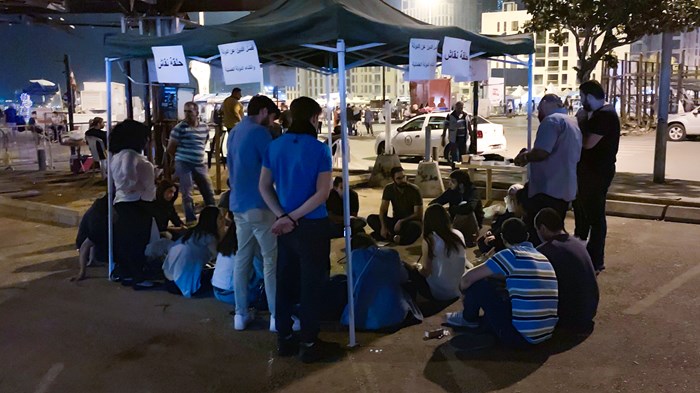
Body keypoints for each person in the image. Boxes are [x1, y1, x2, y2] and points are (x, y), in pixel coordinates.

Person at [259, 96, 335, 363]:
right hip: (312, 225)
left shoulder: (275, 146)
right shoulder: (320, 150)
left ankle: (285, 338)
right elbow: (322, 194)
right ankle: (310, 343)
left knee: (285, 280)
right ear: (314, 118)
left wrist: (283, 216)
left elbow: (264, 186)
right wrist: (293, 217)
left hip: (285, 227)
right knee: (311, 284)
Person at [445, 218, 559, 348]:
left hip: (518, 336)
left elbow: (467, 279)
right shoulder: (542, 257)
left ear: (503, 238)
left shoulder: (510, 254)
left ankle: (468, 319)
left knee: (480, 284)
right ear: (527, 236)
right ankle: (488, 327)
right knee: (501, 291)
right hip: (546, 334)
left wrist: (463, 293)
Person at [227, 95, 281, 331]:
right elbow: (273, 166)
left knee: (243, 259)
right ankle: (277, 317)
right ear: (262, 111)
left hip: (238, 204)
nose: (271, 122)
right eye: (271, 116)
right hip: (260, 205)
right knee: (271, 262)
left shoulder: (235, 131)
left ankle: (240, 315)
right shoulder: (260, 134)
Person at [514, 94, 581, 244]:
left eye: (539, 109)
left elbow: (541, 152)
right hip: (565, 189)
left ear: (545, 103)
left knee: (539, 233)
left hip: (547, 190)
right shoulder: (572, 121)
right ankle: (556, 261)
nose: (538, 113)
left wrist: (524, 156)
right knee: (556, 232)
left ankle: (538, 264)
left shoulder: (551, 121)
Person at [574, 80, 621, 273]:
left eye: (582, 97)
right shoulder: (590, 113)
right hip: (585, 172)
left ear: (590, 96)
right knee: (581, 212)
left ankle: (595, 260)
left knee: (595, 216)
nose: (580, 100)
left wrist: (578, 127)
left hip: (598, 172)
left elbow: (587, 143)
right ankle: (579, 252)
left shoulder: (606, 115)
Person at [109, 119, 157, 289]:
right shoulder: (130, 155)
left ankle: (128, 273)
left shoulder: (119, 155)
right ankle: (137, 276)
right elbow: (127, 180)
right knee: (137, 241)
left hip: (127, 202)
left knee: (128, 240)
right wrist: (137, 188)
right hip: (136, 202)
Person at [535, 208, 599, 332]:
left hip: (571, 317)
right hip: (589, 309)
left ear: (542, 228)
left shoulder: (546, 250)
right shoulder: (577, 244)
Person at [341, 234, 422, 331]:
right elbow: (404, 278)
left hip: (361, 318)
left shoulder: (354, 257)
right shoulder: (392, 254)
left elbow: (353, 286)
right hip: (395, 316)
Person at [404, 205, 467, 302]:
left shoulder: (430, 240)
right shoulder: (458, 234)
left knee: (407, 268)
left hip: (439, 292)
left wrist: (417, 267)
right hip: (458, 289)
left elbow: (426, 272)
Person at [167, 101, 216, 225]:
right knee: (187, 192)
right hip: (184, 162)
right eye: (185, 111)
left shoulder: (204, 127)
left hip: (199, 163)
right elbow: (171, 148)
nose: (187, 114)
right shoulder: (179, 128)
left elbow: (203, 142)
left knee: (208, 190)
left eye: (190, 111)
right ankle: (190, 220)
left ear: (197, 112)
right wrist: (179, 158)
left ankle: (213, 217)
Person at [163, 206, 224, 297]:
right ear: (213, 220)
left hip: (169, 282)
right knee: (221, 275)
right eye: (220, 218)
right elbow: (221, 259)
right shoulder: (210, 238)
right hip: (184, 285)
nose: (223, 221)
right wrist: (223, 233)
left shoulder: (192, 233)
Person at [367, 167, 423, 245]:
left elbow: (418, 214)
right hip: (395, 222)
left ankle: (390, 237)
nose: (403, 180)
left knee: (415, 228)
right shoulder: (389, 189)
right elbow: (383, 210)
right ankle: (394, 237)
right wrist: (383, 227)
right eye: (399, 178)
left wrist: (402, 221)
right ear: (393, 179)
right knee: (371, 218)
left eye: (404, 177)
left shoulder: (414, 190)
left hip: (410, 222)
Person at [477, 184, 525, 254]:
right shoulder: (508, 211)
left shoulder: (522, 213)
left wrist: (496, 237)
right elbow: (499, 224)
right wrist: (491, 232)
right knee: (482, 241)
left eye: (513, 198)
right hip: (500, 236)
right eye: (509, 197)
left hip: (510, 240)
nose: (510, 200)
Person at [72, 194, 110, 281]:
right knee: (88, 242)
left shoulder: (98, 210)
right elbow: (84, 246)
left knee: (93, 240)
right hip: (93, 224)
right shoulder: (97, 221)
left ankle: (92, 260)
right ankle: (82, 271)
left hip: (96, 219)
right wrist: (82, 273)